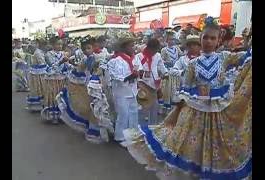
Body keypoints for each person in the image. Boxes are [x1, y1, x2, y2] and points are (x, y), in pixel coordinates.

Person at [122, 20, 252, 179]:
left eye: (213, 38)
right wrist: (177, 111)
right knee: (188, 143)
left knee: (215, 144)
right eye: (205, 38)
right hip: (194, 111)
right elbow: (186, 87)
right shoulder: (192, 64)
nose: (209, 42)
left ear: (219, 41)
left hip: (217, 111)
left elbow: (246, 58)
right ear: (200, 38)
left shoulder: (224, 57)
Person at [107, 32, 143, 143]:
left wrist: (139, 75)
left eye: (134, 45)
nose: (133, 48)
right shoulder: (115, 61)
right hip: (121, 92)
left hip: (132, 90)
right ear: (123, 47)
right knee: (123, 113)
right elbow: (117, 77)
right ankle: (120, 136)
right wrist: (130, 76)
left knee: (133, 112)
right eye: (131, 46)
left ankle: (132, 134)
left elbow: (140, 70)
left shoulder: (135, 59)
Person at [135, 38, 168, 125]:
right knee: (143, 105)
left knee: (155, 106)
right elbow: (135, 68)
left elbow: (161, 66)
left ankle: (152, 126)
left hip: (154, 83)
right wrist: (138, 76)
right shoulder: (139, 56)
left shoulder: (158, 55)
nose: (155, 51)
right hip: (143, 83)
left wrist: (165, 73)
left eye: (157, 49)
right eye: (154, 49)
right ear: (149, 48)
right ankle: (140, 125)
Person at [26, 38, 47, 111]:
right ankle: (38, 106)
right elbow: (42, 63)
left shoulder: (40, 51)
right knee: (39, 89)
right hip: (38, 73)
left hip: (38, 72)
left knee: (39, 89)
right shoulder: (38, 52)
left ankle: (39, 105)